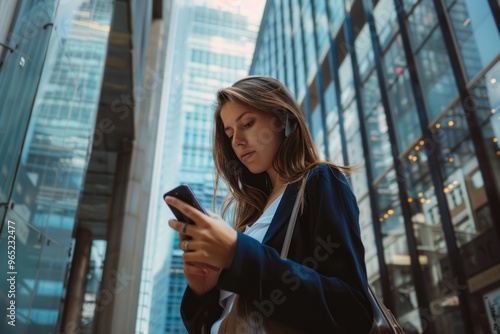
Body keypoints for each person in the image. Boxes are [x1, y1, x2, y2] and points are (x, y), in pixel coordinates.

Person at [166, 76, 373, 333]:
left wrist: (237, 254)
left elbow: (352, 310)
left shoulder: (319, 181)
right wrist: (203, 290)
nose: (237, 141)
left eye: (248, 124)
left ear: (282, 118)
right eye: (229, 134)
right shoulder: (249, 217)